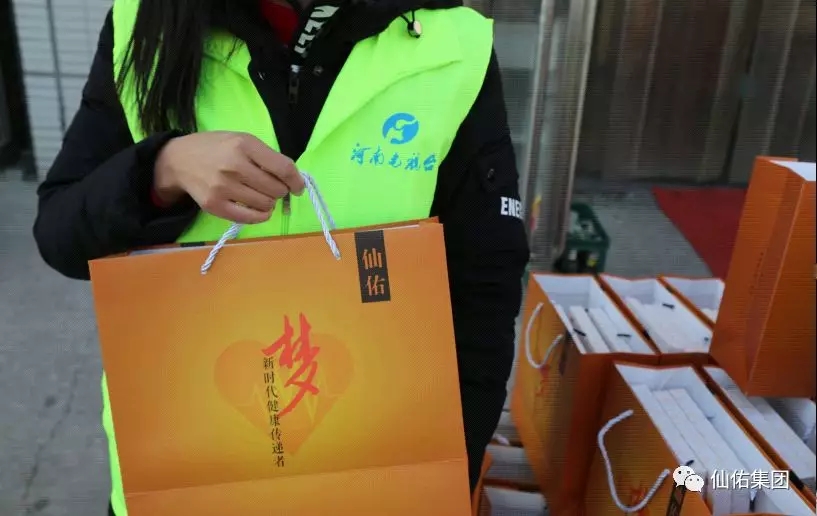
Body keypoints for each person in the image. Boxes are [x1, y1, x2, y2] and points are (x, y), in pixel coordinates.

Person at [33, 0, 529, 513]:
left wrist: (445, 478)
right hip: (182, 471)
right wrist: (162, 170)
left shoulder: (453, 44)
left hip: (372, 474)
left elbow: (484, 292)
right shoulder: (143, 22)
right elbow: (60, 233)